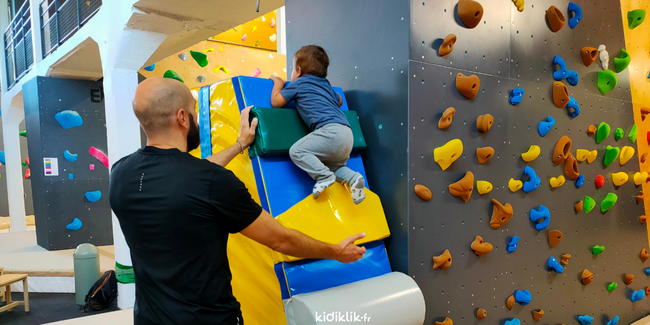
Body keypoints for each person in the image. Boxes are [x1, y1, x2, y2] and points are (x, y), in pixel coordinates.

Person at [109, 77, 366, 325]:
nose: (197, 118)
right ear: (182, 118)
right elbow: (280, 239)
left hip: (148, 318)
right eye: (194, 112)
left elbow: (185, 174)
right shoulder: (213, 182)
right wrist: (336, 251)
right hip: (209, 319)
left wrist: (239, 145)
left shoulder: (120, 173)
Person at [270, 45, 366, 204]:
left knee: (297, 151)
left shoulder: (299, 83)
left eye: (293, 69)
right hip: (347, 134)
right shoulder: (325, 84)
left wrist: (278, 83)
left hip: (330, 132)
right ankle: (353, 178)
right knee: (334, 168)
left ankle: (323, 176)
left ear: (299, 71)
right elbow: (339, 100)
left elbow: (276, 102)